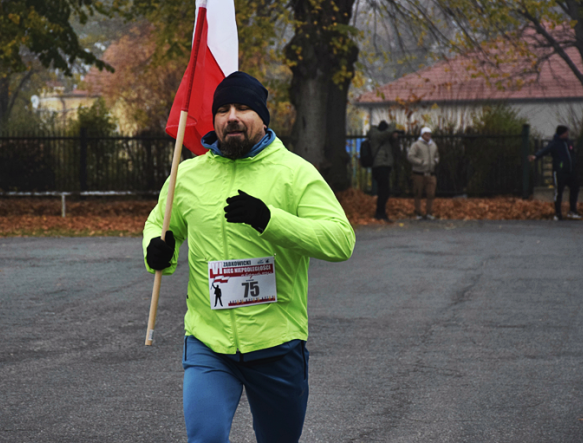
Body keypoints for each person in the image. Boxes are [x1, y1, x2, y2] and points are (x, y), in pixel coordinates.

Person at [143, 71, 356, 443]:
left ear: (262, 116)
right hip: (210, 344)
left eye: (243, 107)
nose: (232, 117)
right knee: (205, 438)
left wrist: (269, 219)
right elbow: (159, 225)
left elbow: (340, 240)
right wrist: (157, 250)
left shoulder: (294, 172)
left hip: (276, 345)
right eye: (223, 109)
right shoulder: (187, 175)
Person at [528, 125, 581, 220]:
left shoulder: (569, 143)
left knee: (575, 188)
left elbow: (573, 155)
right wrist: (536, 156)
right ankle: (557, 213)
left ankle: (572, 211)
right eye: (566, 132)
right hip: (560, 172)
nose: (567, 134)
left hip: (570, 172)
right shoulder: (555, 143)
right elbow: (545, 150)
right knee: (558, 192)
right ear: (561, 133)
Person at [366, 120, 400, 222]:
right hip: (379, 165)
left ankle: (380, 212)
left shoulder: (385, 139)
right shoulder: (376, 135)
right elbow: (386, 133)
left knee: (384, 191)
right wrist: (393, 126)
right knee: (383, 190)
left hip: (385, 165)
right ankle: (380, 213)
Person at [407, 126, 439, 220]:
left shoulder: (433, 145)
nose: (428, 136)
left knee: (431, 193)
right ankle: (418, 213)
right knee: (418, 193)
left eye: (429, 134)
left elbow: (437, 155)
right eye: (426, 134)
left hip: (430, 172)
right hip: (419, 173)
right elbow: (410, 156)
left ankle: (429, 212)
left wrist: (435, 161)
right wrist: (420, 162)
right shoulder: (416, 145)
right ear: (422, 134)